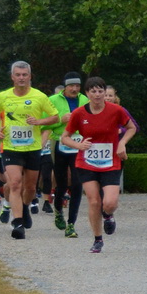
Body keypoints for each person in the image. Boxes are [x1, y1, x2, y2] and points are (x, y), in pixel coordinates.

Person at [63, 77, 136, 253]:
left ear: (105, 92)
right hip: (86, 162)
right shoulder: (79, 114)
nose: (97, 95)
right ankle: (97, 239)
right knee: (94, 201)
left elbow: (132, 128)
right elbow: (64, 137)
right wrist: (78, 145)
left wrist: (122, 143)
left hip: (110, 162)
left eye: (100, 91)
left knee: (109, 202)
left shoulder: (116, 110)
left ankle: (108, 215)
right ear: (87, 94)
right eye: (93, 91)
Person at [0, 62, 53, 240]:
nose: (21, 78)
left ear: (30, 76)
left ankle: (24, 207)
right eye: (18, 74)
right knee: (15, 183)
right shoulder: (3, 96)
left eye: (25, 74)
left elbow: (54, 116)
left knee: (30, 186)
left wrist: (39, 122)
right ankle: (18, 223)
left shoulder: (39, 96)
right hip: (11, 147)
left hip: (32, 148)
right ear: (12, 77)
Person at [47, 73, 87, 230]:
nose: (75, 89)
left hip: (79, 143)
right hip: (59, 142)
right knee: (62, 183)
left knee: (77, 184)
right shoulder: (53, 100)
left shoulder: (85, 100)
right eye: (71, 86)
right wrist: (59, 120)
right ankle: (58, 211)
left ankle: (71, 223)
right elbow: (42, 124)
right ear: (65, 87)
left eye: (77, 86)